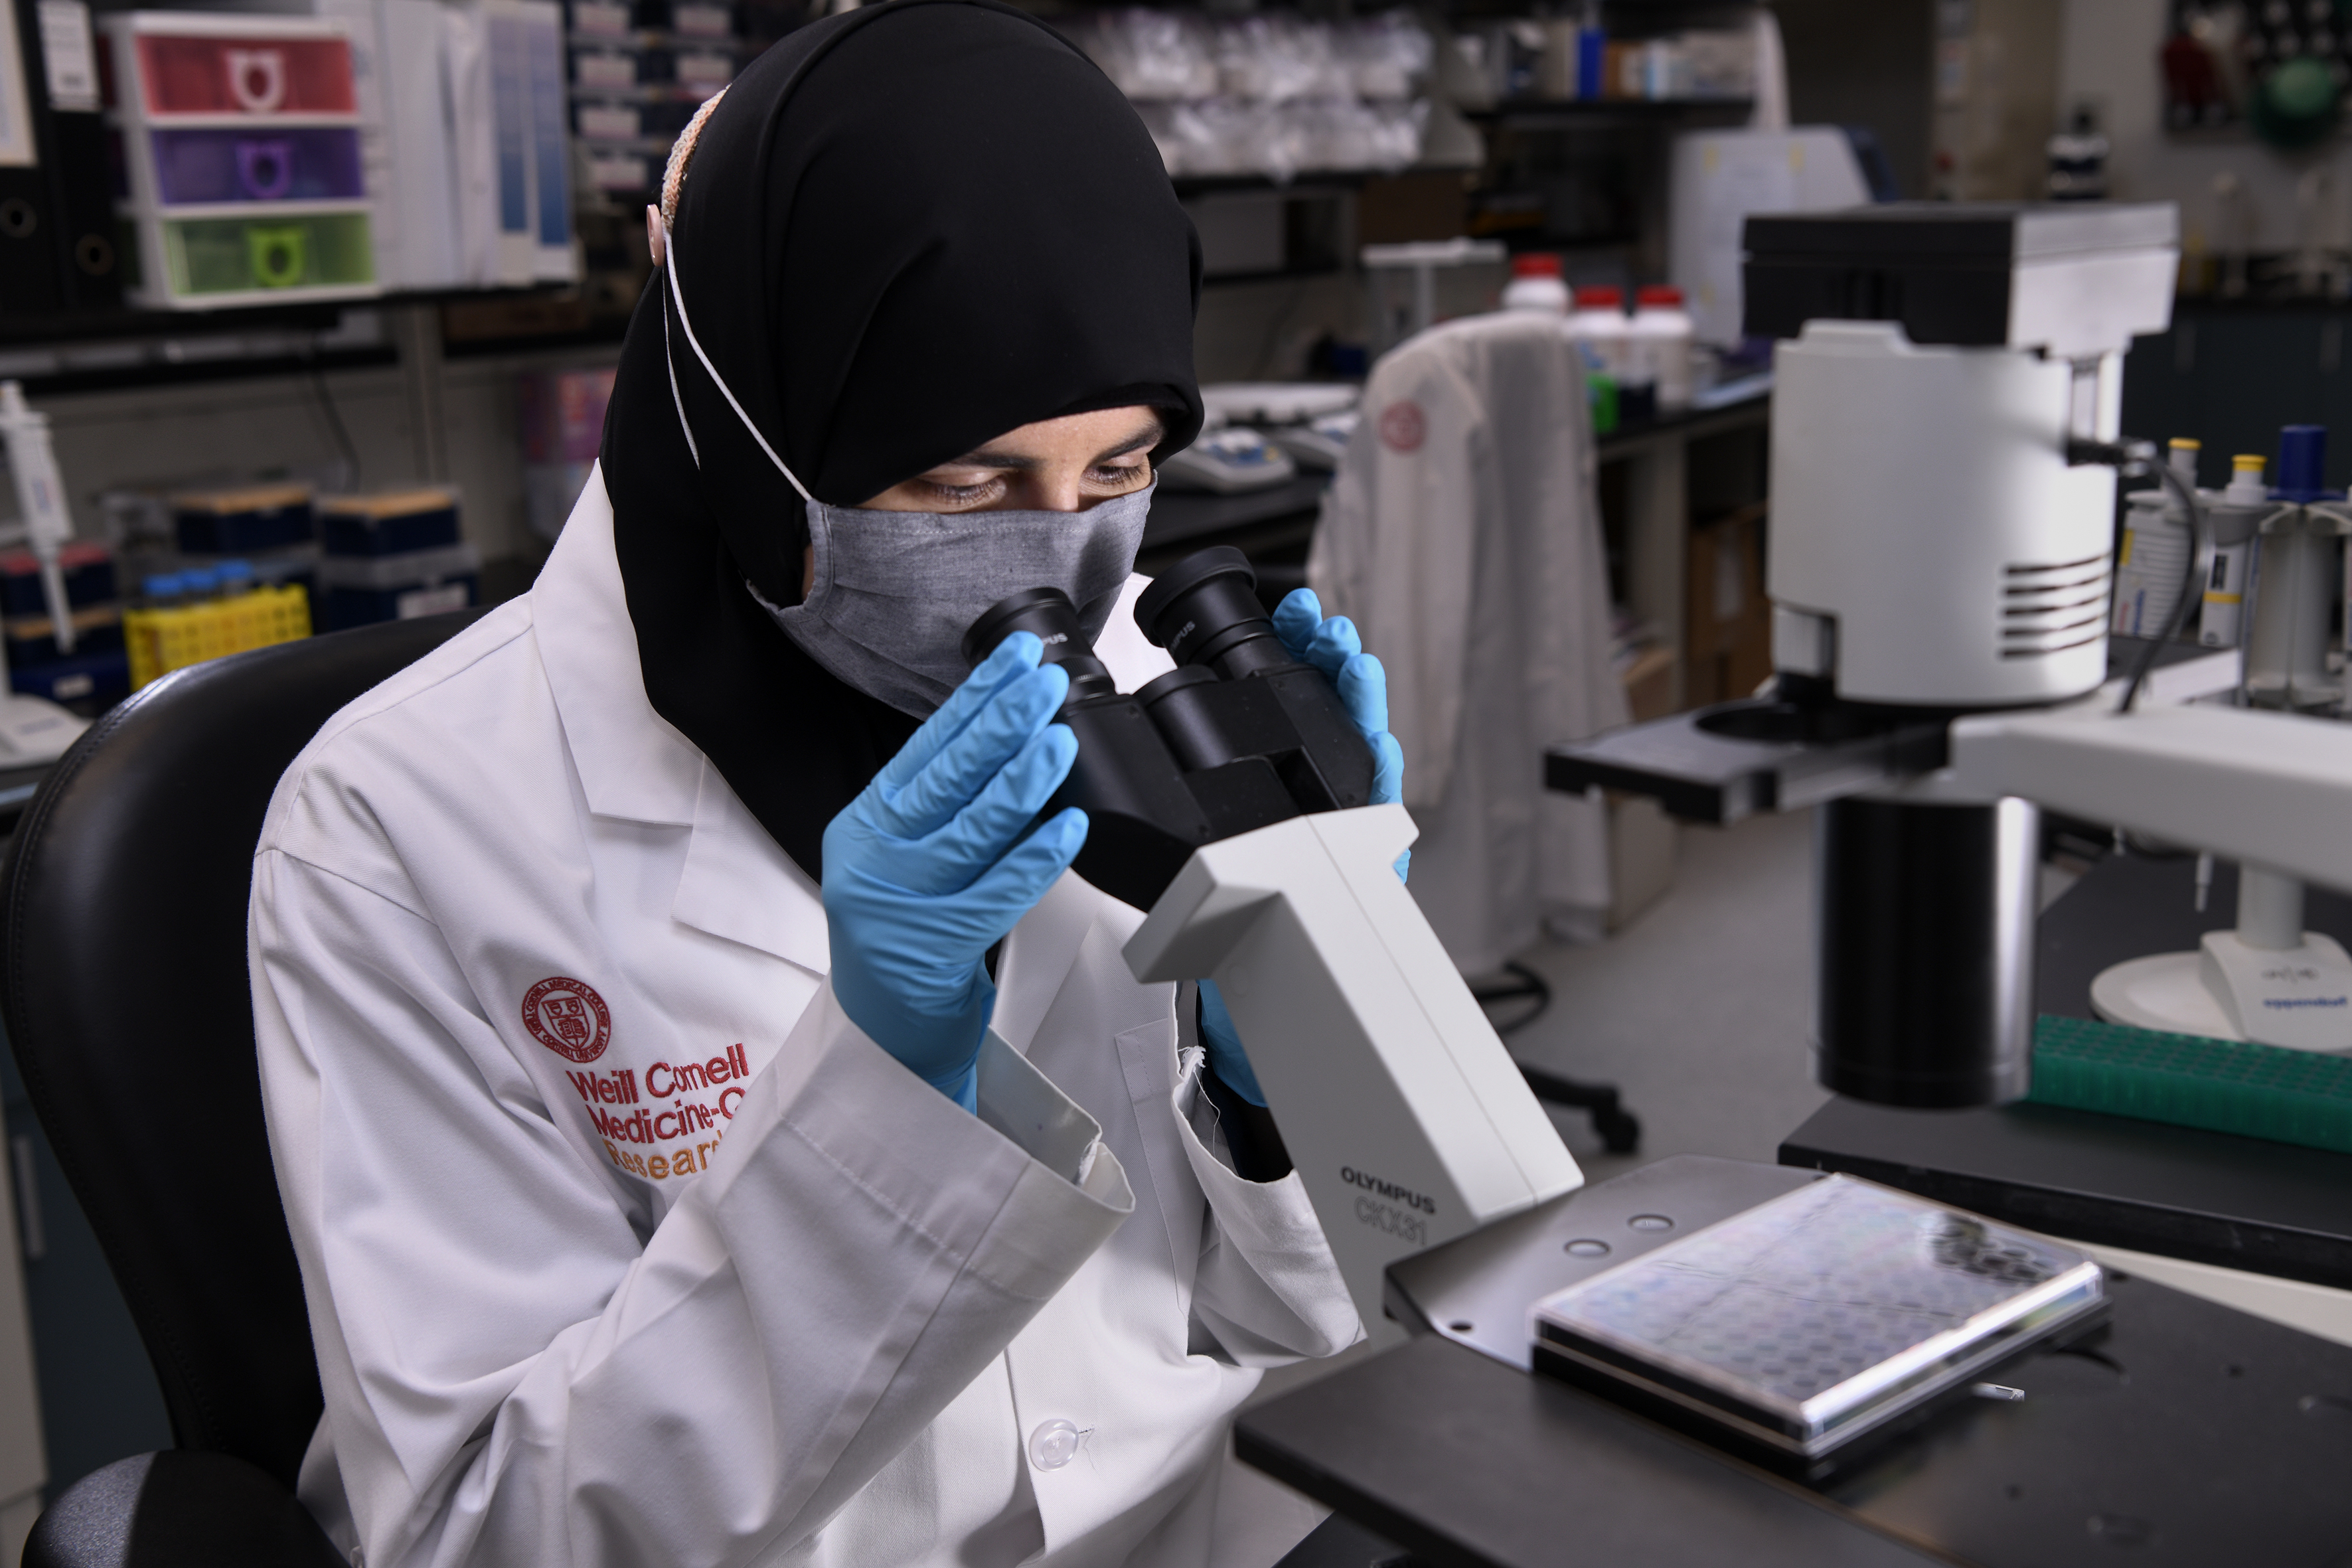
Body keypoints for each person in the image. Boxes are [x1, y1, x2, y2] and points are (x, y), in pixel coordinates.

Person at [248, 3, 1405, 1563]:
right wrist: (885, 1092)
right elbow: (487, 1532)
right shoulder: (397, 826)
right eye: (962, 478)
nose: (1054, 557)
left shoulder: (1151, 693)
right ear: (746, 421)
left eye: (1120, 468)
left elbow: (1305, 1318)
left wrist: (1286, 1059)